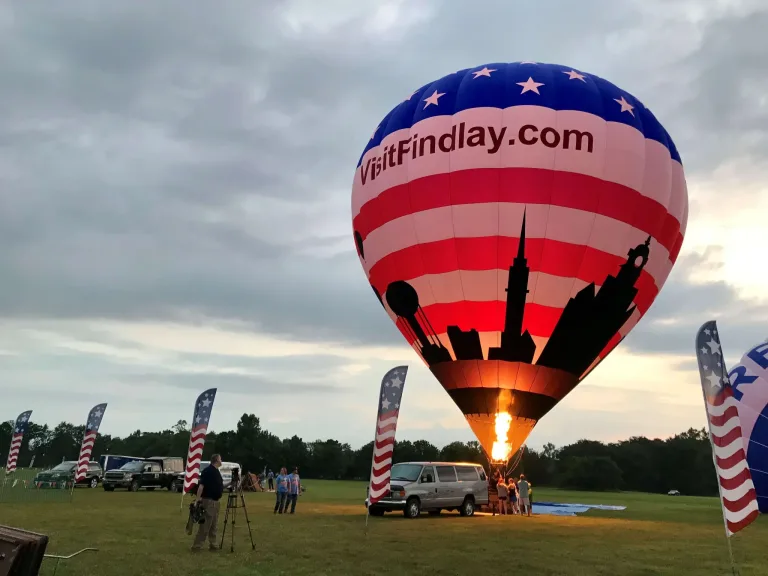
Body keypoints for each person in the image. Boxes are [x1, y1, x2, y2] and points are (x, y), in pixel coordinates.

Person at [191, 454, 224, 551]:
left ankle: (213, 545)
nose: (221, 460)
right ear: (216, 460)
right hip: (209, 501)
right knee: (205, 525)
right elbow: (201, 486)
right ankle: (197, 546)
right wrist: (197, 500)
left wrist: (231, 484)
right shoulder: (208, 471)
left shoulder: (216, 471)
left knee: (214, 525)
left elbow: (219, 487)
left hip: (216, 502)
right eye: (220, 459)